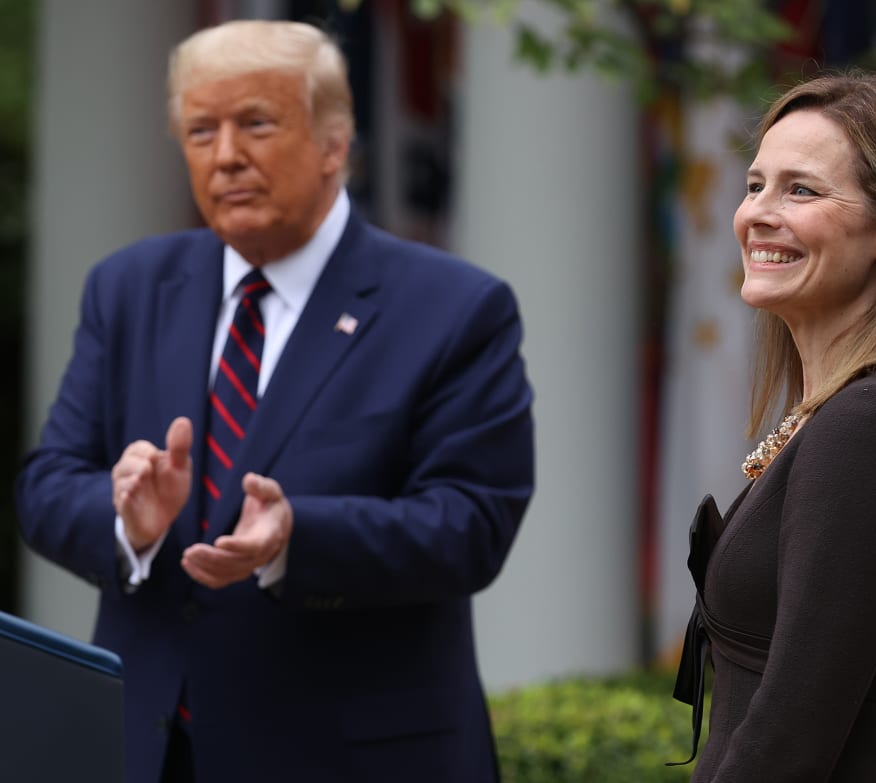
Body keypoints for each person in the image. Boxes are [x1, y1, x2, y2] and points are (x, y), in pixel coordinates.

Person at [15, 19, 534, 783]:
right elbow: (46, 483)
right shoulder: (128, 287)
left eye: (255, 123)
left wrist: (298, 535)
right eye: (200, 130)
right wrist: (126, 517)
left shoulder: (455, 306)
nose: (226, 155)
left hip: (352, 757)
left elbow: (472, 523)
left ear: (335, 142)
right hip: (154, 753)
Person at [670, 71, 876, 782]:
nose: (757, 212)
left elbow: (789, 738)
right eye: (755, 184)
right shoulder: (848, 412)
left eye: (802, 190)